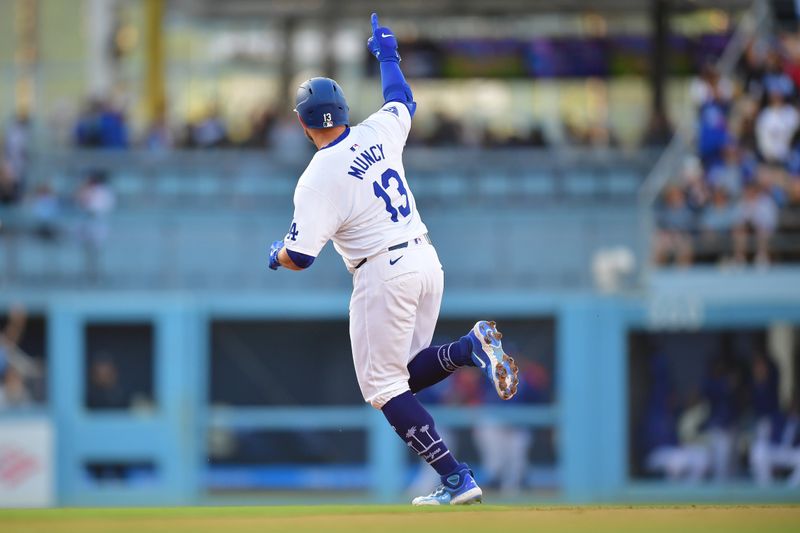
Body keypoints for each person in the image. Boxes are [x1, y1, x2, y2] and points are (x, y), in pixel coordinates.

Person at [266, 13, 520, 506]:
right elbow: (402, 99)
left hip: (383, 272)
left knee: (383, 388)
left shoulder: (318, 177)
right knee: (404, 374)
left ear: (302, 123)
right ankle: (468, 349)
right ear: (341, 109)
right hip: (426, 259)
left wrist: (274, 254)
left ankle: (454, 477)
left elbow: (300, 255)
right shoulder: (377, 131)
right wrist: (387, 56)